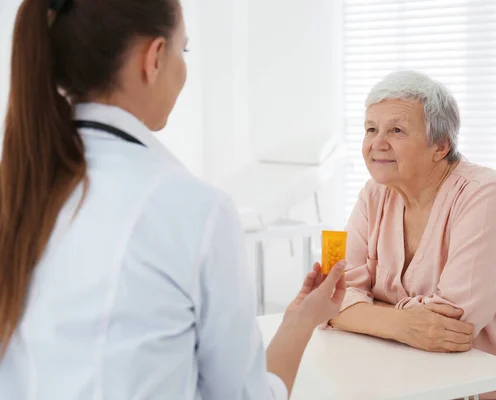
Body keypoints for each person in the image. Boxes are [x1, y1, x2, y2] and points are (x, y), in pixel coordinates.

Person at [0, 1, 346, 399]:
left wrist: (299, 319)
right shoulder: (193, 210)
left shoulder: (18, 184)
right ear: (155, 58)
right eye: (184, 50)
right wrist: (303, 324)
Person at [329, 70, 496, 400]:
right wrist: (405, 324)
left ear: (440, 145)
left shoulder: (485, 193)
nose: (377, 143)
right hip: (413, 376)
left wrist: (363, 315)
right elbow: (334, 294)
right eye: (371, 129)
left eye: (396, 130)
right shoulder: (374, 195)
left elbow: (454, 323)